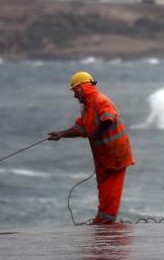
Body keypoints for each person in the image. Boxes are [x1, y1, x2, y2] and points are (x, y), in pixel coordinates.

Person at [48, 71, 135, 224]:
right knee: (103, 190)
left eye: (75, 91)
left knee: (110, 193)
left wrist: (95, 133)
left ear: (82, 88)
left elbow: (108, 118)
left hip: (116, 156)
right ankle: (102, 221)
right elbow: (80, 129)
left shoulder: (100, 100)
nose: (74, 96)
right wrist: (60, 134)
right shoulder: (86, 108)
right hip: (103, 157)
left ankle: (107, 225)